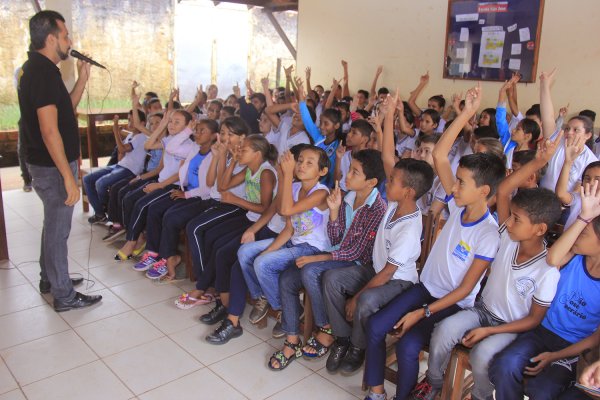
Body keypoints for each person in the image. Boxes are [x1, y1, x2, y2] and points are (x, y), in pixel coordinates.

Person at [363, 85, 505, 400]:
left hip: (451, 303)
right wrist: (466, 113)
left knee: (410, 344)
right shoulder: (457, 205)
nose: (453, 188)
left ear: (483, 192)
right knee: (376, 325)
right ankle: (376, 392)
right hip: (424, 288)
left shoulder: (488, 233)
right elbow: (441, 153)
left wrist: (423, 313)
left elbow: (465, 291)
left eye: (462, 183)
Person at [417, 135, 563, 400]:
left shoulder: (547, 269)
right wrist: (539, 161)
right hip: (483, 311)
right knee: (444, 331)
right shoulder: (509, 236)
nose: (507, 221)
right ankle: (433, 382)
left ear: (539, 230)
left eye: (516, 219)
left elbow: (533, 319)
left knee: (482, 355)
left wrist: (490, 331)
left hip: (510, 326)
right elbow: (505, 189)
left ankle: (481, 396)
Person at [17, 10, 101, 311]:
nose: (70, 41)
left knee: (52, 225)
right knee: (58, 229)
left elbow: (66, 110)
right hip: (51, 166)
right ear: (51, 39)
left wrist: (82, 78)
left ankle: (50, 279)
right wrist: (68, 175)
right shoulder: (41, 72)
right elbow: (49, 130)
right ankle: (63, 295)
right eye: (66, 36)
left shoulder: (41, 69)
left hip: (47, 164)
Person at [489, 180, 600, 399]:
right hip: (542, 331)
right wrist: (583, 218)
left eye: (584, 234)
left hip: (572, 347)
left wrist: (555, 356)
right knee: (505, 366)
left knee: (541, 390)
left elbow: (595, 339)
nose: (577, 236)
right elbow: (553, 258)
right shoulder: (574, 257)